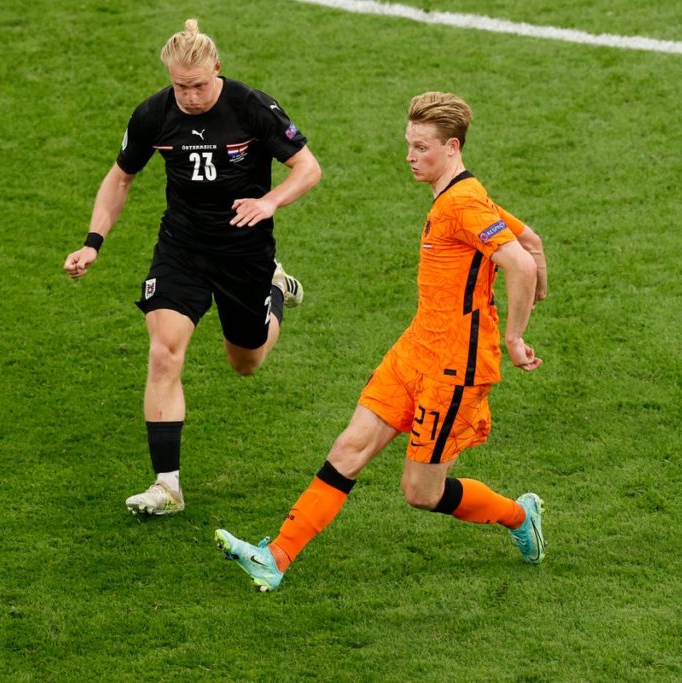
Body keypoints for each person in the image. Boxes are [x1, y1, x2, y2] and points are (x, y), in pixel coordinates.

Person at [215, 91, 549, 591]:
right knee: (350, 446)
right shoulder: (462, 193)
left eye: (421, 148)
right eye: (409, 145)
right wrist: (538, 283)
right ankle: (275, 557)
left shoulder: (463, 203)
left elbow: (519, 261)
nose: (410, 157)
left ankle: (519, 517)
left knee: (421, 492)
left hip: (453, 368)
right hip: (416, 348)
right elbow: (532, 243)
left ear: (452, 147)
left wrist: (516, 336)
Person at [64, 19, 321, 517]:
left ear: (217, 69)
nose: (190, 96)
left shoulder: (251, 106)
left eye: (199, 85)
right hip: (181, 249)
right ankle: (167, 486)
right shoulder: (154, 114)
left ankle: (274, 287)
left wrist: (269, 202)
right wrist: (93, 243)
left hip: (244, 252)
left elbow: (308, 167)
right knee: (164, 352)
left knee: (245, 363)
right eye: (181, 86)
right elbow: (120, 178)